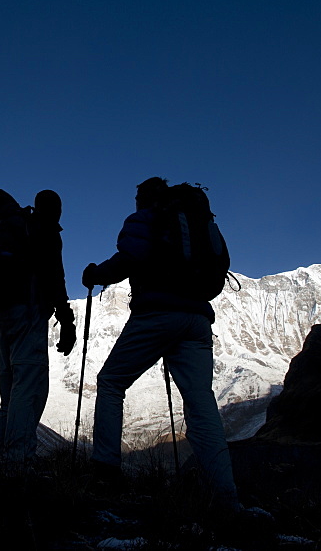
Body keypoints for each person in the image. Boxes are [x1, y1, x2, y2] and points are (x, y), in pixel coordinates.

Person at [82, 177, 240, 510]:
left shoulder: (148, 218)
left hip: (156, 314)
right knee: (201, 401)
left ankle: (105, 471)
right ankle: (226, 494)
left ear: (145, 198)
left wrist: (96, 274)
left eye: (138, 195)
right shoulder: (197, 221)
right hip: (197, 319)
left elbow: (128, 260)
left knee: (111, 382)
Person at [0, 189, 76, 465]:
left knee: (10, 393)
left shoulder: (14, 228)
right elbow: (55, 278)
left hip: (3, 316)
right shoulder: (46, 231)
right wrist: (66, 321)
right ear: (54, 209)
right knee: (29, 388)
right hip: (29, 313)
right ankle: (17, 462)